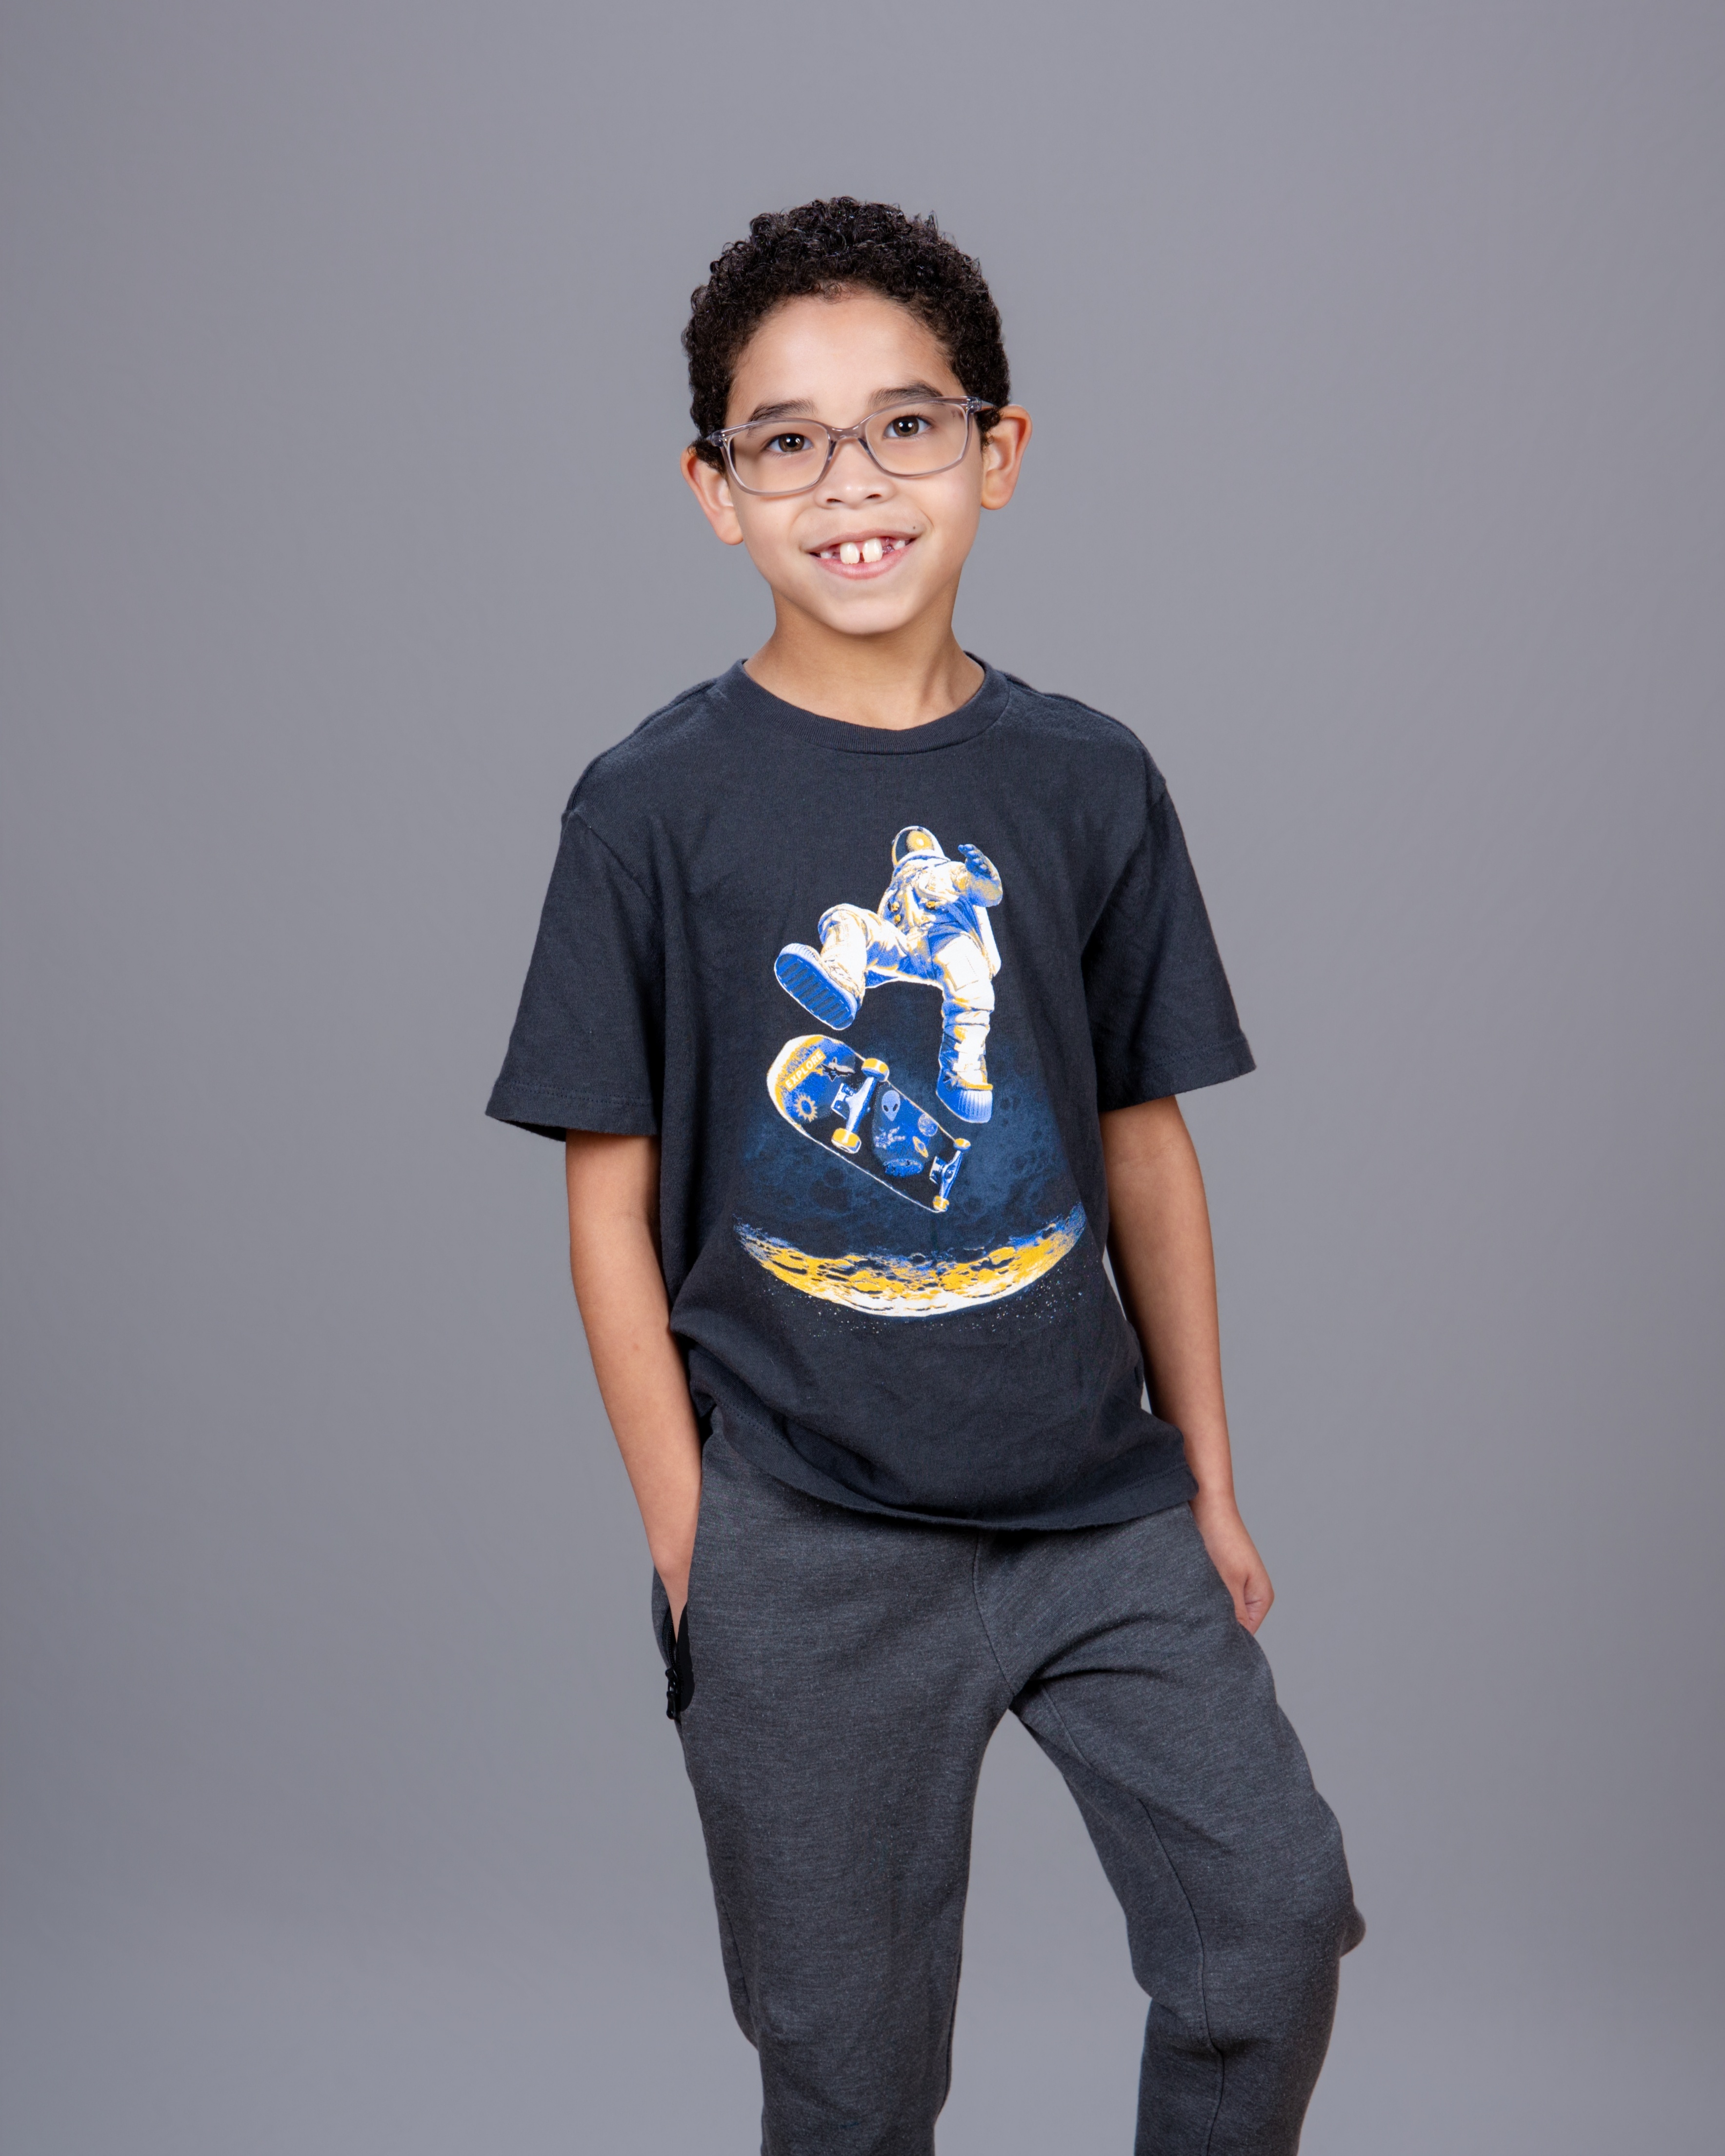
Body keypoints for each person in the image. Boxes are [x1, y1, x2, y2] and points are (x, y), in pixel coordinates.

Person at [487, 197, 1363, 2156]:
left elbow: (1143, 1143)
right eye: (785, 441)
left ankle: (900, 1063)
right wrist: (692, 1543)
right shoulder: (650, 808)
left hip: (1093, 1504)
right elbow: (604, 1209)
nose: (851, 484)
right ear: (714, 490)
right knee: (851, 2070)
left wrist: (1207, 1477)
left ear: (996, 450)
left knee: (1265, 1921)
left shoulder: (1083, 779)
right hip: (806, 1530)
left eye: (904, 425)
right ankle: (861, 1043)